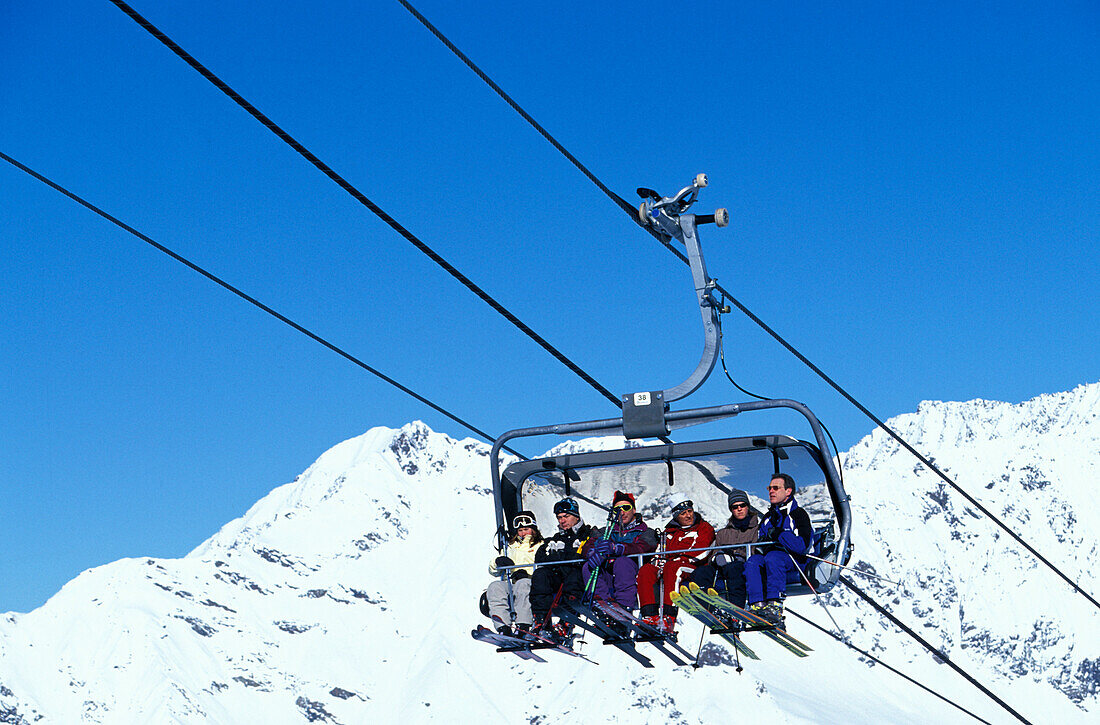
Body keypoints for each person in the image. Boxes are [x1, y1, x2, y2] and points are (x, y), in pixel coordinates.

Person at [637, 492, 716, 633]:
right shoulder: (670, 533)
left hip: (693, 566)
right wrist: (657, 563)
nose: (688, 516)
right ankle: (649, 615)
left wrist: (681, 559)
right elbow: (659, 552)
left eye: (690, 511)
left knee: (674, 568)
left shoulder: (703, 527)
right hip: (670, 566)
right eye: (683, 513)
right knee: (646, 570)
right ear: (676, 516)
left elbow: (703, 551)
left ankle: (669, 616)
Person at [743, 473, 813, 624]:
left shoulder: (798, 515)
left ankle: (775, 605)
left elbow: (803, 545)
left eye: (775, 488)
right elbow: (761, 539)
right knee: (753, 561)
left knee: (773, 558)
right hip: (771, 557)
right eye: (769, 488)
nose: (771, 491)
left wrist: (780, 535)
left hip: (794, 559)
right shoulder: (769, 516)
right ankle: (757, 604)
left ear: (788, 491)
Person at [579, 491, 657, 614]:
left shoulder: (645, 531)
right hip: (610, 572)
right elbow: (588, 544)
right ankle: (600, 603)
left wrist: (619, 548)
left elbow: (646, 546)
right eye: (617, 509)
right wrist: (592, 552)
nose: (622, 512)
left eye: (626, 507)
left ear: (634, 510)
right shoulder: (606, 531)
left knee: (622, 563)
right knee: (588, 567)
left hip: (632, 572)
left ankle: (624, 606)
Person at [529, 497, 594, 638]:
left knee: (574, 574)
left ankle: (566, 621)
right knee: (540, 574)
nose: (562, 521)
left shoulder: (588, 535)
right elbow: (540, 557)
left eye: (566, 516)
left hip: (580, 578)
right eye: (559, 517)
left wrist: (569, 556)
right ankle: (541, 620)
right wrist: (554, 555)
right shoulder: (556, 539)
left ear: (576, 516)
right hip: (559, 577)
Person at [689, 489, 760, 608]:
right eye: (735, 507)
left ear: (748, 506)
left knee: (734, 569)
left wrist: (736, 556)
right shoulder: (723, 533)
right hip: (723, 567)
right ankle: (707, 607)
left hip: (743, 566)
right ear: (731, 510)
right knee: (701, 572)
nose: (739, 509)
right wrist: (718, 557)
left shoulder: (756, 530)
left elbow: (755, 551)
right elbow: (714, 554)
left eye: (742, 505)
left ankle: (736, 608)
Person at [485, 511, 544, 635]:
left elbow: (544, 565)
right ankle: (503, 626)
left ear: (533, 529)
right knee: (495, 587)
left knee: (523, 585)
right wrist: (498, 562)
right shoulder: (510, 546)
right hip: (512, 581)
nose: (523, 533)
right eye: (520, 530)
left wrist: (527, 574)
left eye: (526, 529)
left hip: (531, 580)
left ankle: (523, 626)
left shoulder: (541, 545)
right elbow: (493, 571)